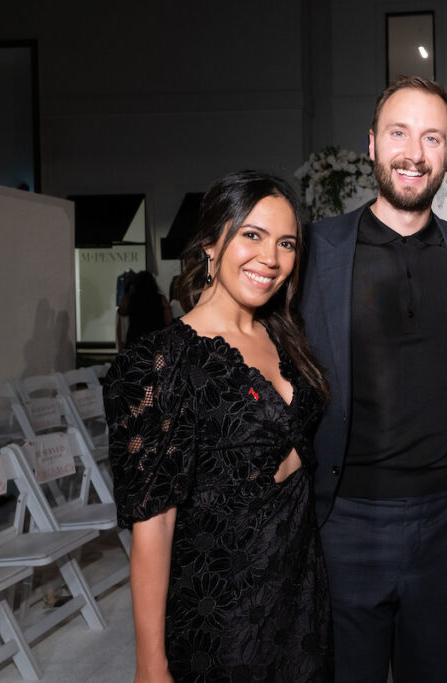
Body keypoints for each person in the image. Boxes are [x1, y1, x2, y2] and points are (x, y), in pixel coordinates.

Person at [300, 76, 447, 683]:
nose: (414, 152)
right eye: (399, 133)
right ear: (373, 145)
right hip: (344, 523)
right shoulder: (316, 252)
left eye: (432, 138)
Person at [104, 171, 332, 682]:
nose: (270, 258)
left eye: (286, 243)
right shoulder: (158, 363)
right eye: (251, 234)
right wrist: (149, 664)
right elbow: (153, 526)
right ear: (211, 244)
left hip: (302, 603)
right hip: (221, 618)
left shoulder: (286, 339)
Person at [116, 270, 172, 351]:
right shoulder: (161, 299)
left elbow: (121, 312)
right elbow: (168, 320)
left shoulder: (133, 299)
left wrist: (129, 293)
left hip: (135, 339)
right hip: (155, 340)